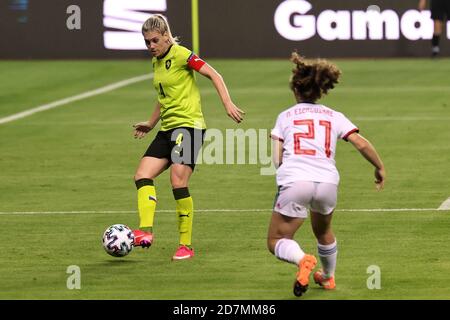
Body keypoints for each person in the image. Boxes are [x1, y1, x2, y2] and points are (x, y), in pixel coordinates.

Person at [267, 52, 386, 297]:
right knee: (323, 231)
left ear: (296, 91)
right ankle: (328, 277)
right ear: (320, 91)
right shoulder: (334, 115)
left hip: (296, 179)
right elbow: (361, 143)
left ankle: (303, 260)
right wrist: (379, 167)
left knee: (277, 239)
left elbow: (277, 158)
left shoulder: (285, 116)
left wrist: (286, 175)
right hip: (328, 183)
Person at [132, 14, 244, 260]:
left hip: (189, 128)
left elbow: (215, 75)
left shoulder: (182, 54)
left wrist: (227, 104)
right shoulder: (157, 62)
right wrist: (150, 124)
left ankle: (186, 245)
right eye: (146, 42)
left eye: (154, 40)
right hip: (167, 129)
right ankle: (145, 231)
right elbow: (164, 98)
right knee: (142, 175)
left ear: (165, 36)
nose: (150, 46)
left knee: (178, 181)